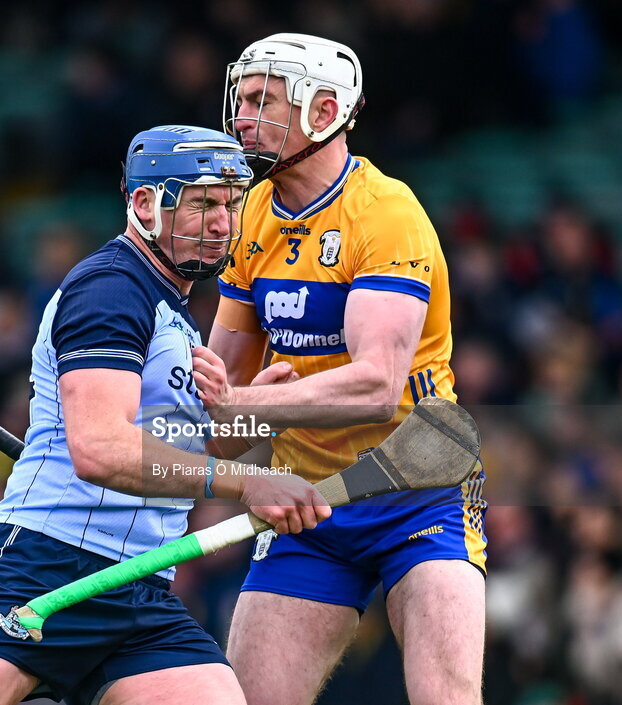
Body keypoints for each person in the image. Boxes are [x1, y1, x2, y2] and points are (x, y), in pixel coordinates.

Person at [0, 125, 330, 705]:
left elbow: (183, 457)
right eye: (203, 203)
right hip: (45, 563)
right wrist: (247, 482)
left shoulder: (172, 313)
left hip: (140, 583)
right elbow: (100, 450)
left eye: (231, 205)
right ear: (144, 204)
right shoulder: (110, 289)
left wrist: (256, 420)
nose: (222, 223)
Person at [190, 34, 488, 705]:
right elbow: (224, 423)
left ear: (323, 112)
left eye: (262, 100)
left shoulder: (386, 215)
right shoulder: (250, 220)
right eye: (239, 100)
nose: (241, 118)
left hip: (420, 487)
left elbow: (377, 386)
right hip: (311, 503)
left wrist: (248, 407)